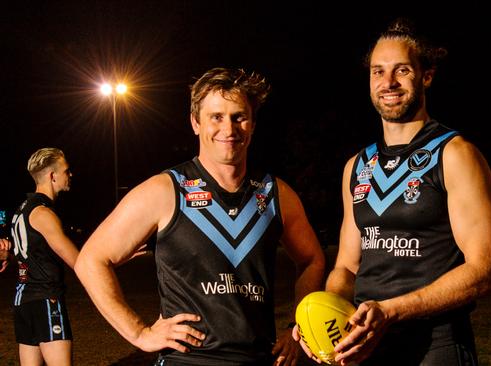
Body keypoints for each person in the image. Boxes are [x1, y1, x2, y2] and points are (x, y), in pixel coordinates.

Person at [74, 67, 325, 365]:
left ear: (253, 124)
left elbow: (312, 259)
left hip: (259, 359)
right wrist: (139, 333)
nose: (229, 129)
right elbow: (91, 260)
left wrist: (296, 327)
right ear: (195, 122)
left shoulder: (275, 193)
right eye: (216, 117)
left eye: (239, 117)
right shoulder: (165, 190)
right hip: (187, 360)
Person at [297, 19, 491, 365]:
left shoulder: (455, 153)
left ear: (427, 75)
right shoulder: (356, 166)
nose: (388, 82)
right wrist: (324, 316)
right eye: (378, 72)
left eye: (401, 70)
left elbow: (485, 268)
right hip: (367, 343)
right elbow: (347, 267)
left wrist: (390, 311)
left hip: (435, 344)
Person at [10, 147, 78, 366]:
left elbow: (26, 253)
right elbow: (77, 261)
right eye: (66, 170)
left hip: (23, 302)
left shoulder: (21, 210)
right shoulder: (43, 213)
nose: (70, 175)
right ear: (52, 176)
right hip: (45, 299)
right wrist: (116, 258)